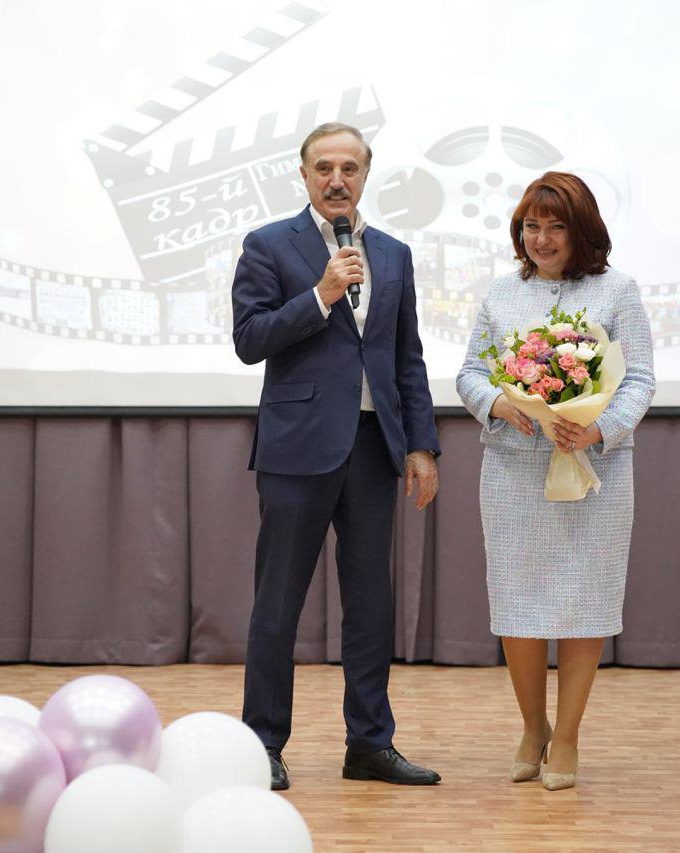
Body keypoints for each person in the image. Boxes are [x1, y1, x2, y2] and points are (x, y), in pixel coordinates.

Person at [232, 122, 442, 790]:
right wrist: (321, 295)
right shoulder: (269, 244)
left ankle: (370, 744)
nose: (336, 179)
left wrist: (421, 444)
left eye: (349, 168)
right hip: (297, 448)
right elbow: (249, 339)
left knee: (371, 604)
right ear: (303, 175)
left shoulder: (394, 254)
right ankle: (262, 744)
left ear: (366, 175)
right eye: (323, 167)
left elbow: (406, 356)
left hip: (373, 449)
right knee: (278, 603)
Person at [455, 171, 655, 791]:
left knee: (584, 604)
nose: (540, 239)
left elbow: (639, 380)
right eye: (531, 226)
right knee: (516, 605)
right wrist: (501, 403)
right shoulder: (501, 292)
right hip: (514, 470)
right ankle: (532, 726)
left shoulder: (617, 291)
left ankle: (567, 736)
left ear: (582, 230)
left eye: (555, 227)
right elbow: (470, 373)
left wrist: (598, 429)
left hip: (595, 474)